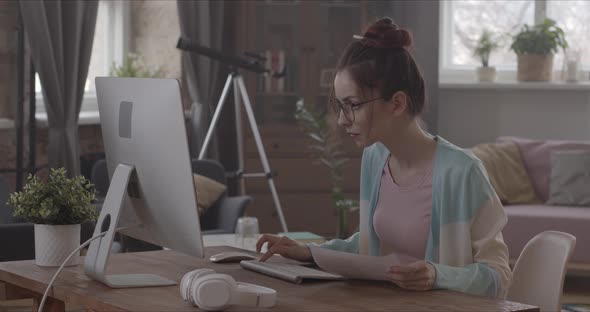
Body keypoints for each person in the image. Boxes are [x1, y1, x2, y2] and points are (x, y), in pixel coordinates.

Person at [256, 17, 511, 298]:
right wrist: (309, 252)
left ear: (397, 103)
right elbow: (371, 248)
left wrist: (437, 275)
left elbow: (498, 276)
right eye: (339, 106)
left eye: (352, 105)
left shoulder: (463, 172)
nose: (342, 119)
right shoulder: (375, 158)